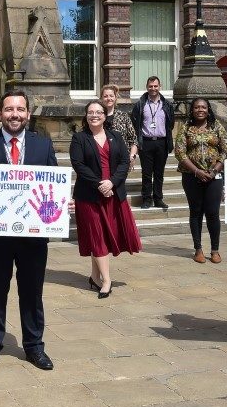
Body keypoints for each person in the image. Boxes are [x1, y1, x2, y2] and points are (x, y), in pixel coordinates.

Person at [0, 90, 74, 374]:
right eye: (9, 109)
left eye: (20, 109)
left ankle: (34, 346)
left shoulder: (42, 145)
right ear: (0, 114)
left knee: (32, 292)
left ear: (28, 113)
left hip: (33, 237)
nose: (15, 114)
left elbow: (53, 185)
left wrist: (63, 203)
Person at [70, 100, 142, 298]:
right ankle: (107, 280)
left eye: (98, 112)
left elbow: (124, 162)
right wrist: (100, 185)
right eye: (91, 112)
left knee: (101, 236)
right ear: (86, 116)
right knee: (97, 235)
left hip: (113, 194)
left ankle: (94, 275)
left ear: (104, 115)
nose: (95, 115)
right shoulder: (79, 138)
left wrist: (111, 183)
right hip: (89, 196)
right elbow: (78, 165)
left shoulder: (115, 136)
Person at [174, 97, 227, 264]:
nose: (200, 110)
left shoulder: (217, 126)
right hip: (191, 176)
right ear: (192, 110)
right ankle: (198, 249)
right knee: (196, 212)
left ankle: (215, 250)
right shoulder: (186, 128)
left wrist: (214, 171)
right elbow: (180, 153)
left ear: (208, 110)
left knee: (213, 213)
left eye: (203, 107)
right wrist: (197, 171)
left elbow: (226, 149)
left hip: (214, 176)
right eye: (197, 107)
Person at [131, 76, 174, 209]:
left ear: (159, 87)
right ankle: (147, 199)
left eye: (155, 86)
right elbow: (135, 123)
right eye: (151, 86)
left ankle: (158, 198)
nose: (153, 89)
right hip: (146, 142)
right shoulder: (140, 104)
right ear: (147, 87)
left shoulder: (166, 104)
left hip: (161, 142)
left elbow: (170, 124)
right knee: (147, 173)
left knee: (159, 172)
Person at [100, 84, 138, 170]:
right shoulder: (97, 117)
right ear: (101, 98)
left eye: (111, 96)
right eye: (105, 96)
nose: (108, 98)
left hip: (121, 160)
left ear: (115, 98)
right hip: (101, 160)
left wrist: (132, 156)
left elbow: (133, 139)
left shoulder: (123, 116)